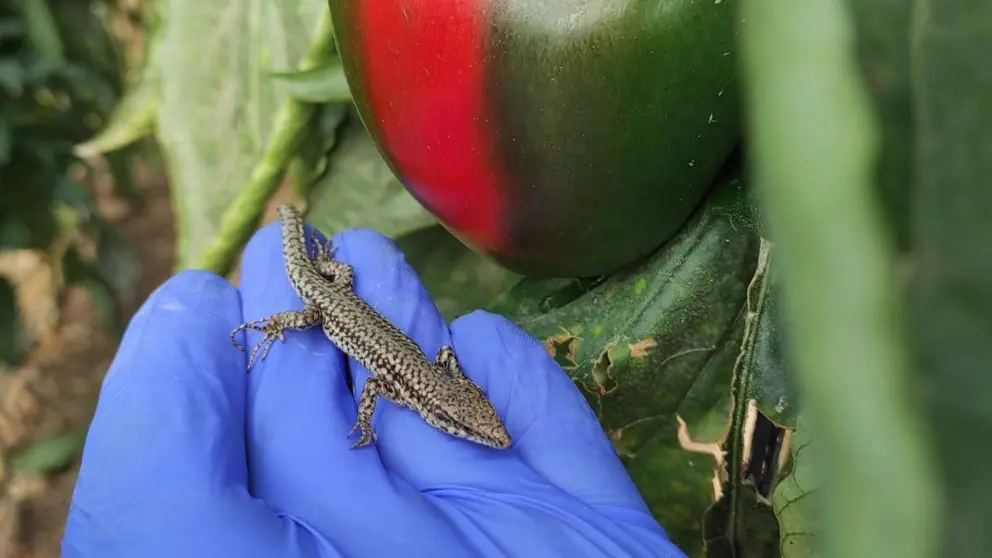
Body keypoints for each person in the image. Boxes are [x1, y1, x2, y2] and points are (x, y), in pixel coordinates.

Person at [60, 220, 687, 558]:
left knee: (345, 270)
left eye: (476, 425)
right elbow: (383, 383)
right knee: (309, 305)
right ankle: (285, 272)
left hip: (347, 306)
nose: (483, 433)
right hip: (325, 308)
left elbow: (430, 362)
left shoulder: (430, 387)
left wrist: (448, 390)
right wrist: (364, 420)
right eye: (472, 427)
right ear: (447, 418)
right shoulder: (414, 389)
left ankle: (297, 236)